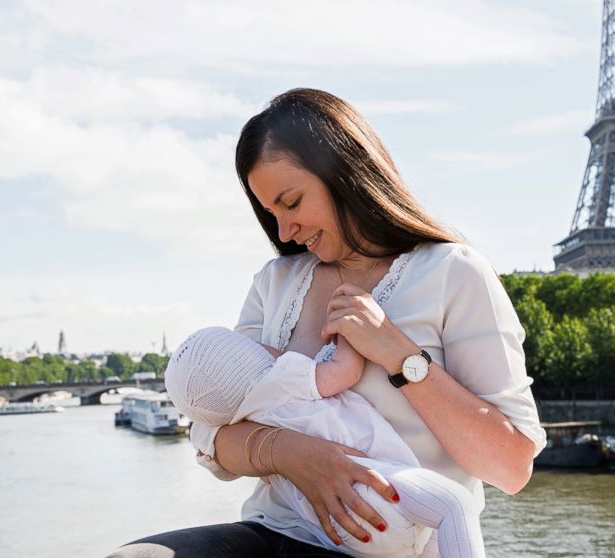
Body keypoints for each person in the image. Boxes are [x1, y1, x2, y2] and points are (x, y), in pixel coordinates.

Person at [110, 88, 545, 557]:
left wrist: (399, 357)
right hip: (275, 533)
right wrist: (292, 455)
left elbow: (510, 466)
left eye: (292, 202)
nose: (283, 231)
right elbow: (209, 432)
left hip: (395, 544)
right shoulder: (274, 283)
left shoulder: (454, 273)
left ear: (345, 173)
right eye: (270, 212)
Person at [164, 326, 484, 557]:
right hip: (374, 490)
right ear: (250, 359)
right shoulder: (283, 376)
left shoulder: (244, 415)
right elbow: (345, 371)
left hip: (344, 532)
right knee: (454, 505)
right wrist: (347, 332)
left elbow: (208, 441)